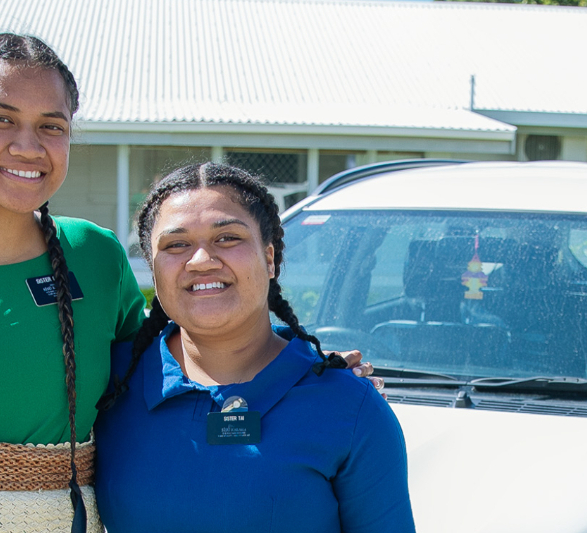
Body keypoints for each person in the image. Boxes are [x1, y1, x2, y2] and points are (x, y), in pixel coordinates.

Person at [0, 34, 377, 533]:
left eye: (51, 126)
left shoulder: (95, 256)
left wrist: (305, 368)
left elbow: (166, 361)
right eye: (0, 118)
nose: (28, 146)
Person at [93, 162, 414, 532]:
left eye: (227, 238)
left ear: (270, 257)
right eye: (177, 244)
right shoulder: (110, 383)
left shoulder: (349, 407)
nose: (201, 261)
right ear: (153, 268)